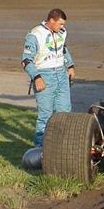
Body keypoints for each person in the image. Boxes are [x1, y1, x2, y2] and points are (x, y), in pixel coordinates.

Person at [21, 9, 75, 147]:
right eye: (60, 24)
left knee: (65, 112)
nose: (62, 27)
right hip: (44, 76)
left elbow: (63, 48)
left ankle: (61, 145)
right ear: (51, 21)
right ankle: (40, 148)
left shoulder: (62, 32)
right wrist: (37, 77)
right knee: (45, 115)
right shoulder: (34, 34)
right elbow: (26, 60)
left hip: (61, 75)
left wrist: (70, 65)